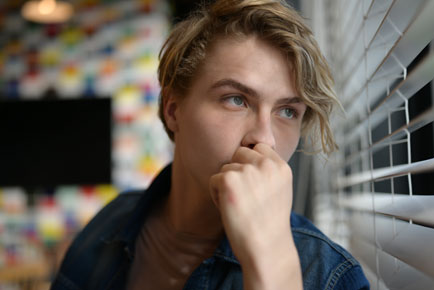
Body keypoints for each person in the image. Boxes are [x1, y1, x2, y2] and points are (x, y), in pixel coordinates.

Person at [51, 0, 370, 289]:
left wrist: (272, 262)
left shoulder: (330, 275)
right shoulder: (108, 224)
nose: (264, 139)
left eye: (287, 111)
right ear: (174, 110)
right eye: (236, 100)